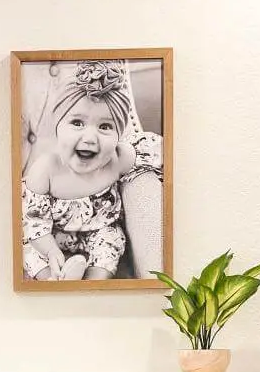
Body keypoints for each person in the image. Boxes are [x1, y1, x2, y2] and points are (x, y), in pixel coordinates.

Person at [22, 60, 161, 281]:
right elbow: (35, 226)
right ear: (58, 127)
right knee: (29, 251)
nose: (89, 138)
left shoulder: (118, 159)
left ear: (118, 136)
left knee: (111, 241)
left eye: (105, 127)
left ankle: (95, 280)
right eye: (77, 123)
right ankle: (55, 279)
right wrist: (51, 252)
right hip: (52, 236)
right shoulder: (45, 170)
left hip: (99, 231)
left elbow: (159, 151)